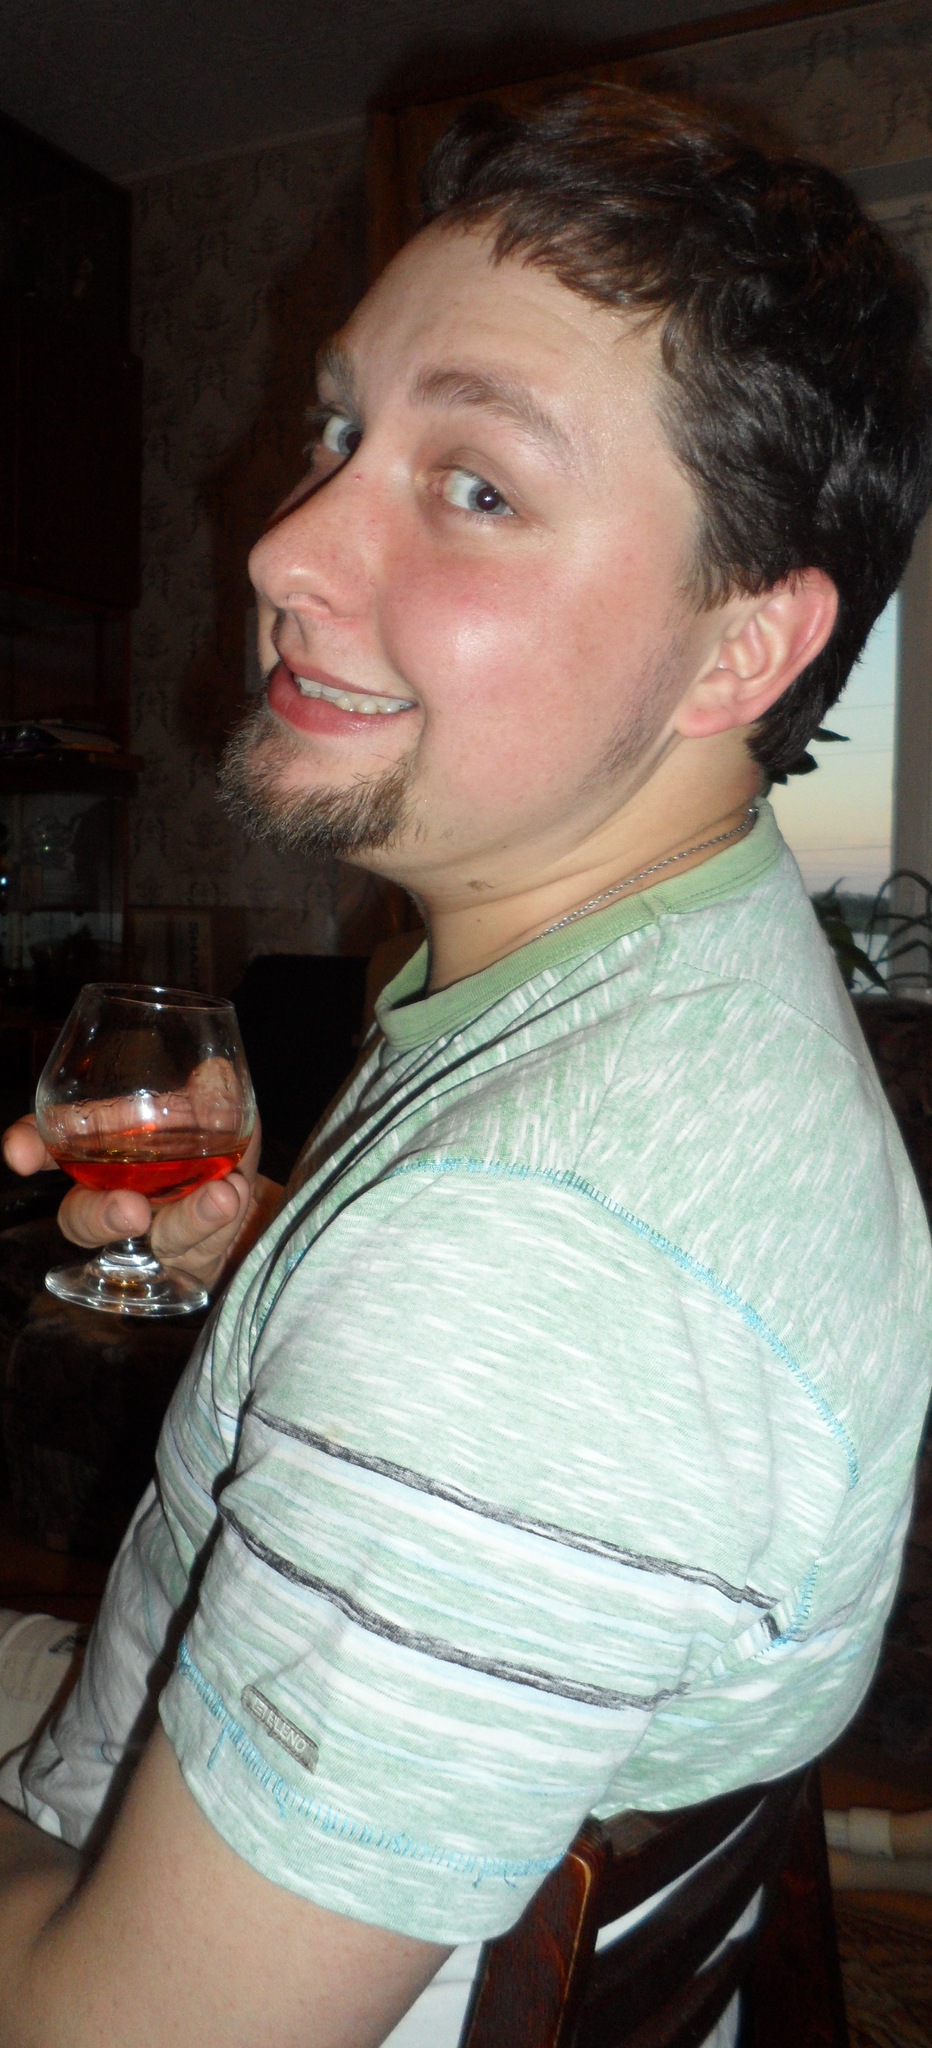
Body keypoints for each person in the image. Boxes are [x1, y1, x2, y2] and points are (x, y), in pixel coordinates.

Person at [0, 83, 930, 2048]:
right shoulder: (643, 975)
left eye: (478, 486)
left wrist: (397, 1315)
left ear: (738, 653)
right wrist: (263, 1261)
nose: (283, 545)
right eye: (342, 433)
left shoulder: (534, 1273)